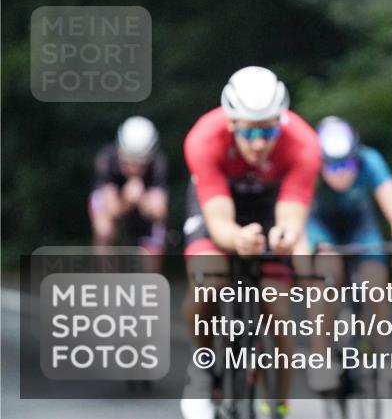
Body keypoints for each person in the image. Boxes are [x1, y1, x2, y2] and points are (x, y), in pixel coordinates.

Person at [180, 66, 321, 419]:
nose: (260, 142)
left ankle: (278, 404)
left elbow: (291, 215)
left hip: (269, 205)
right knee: (208, 281)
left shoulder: (303, 142)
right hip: (218, 202)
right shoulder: (203, 138)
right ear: (231, 124)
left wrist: (285, 236)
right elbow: (218, 224)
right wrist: (236, 238)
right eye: (251, 132)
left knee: (277, 310)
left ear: (282, 121)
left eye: (269, 130)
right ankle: (202, 369)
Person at [297, 116, 392, 394]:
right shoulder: (308, 165)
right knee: (325, 275)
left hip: (360, 228)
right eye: (333, 166)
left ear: (357, 155)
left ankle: (373, 351)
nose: (341, 173)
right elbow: (297, 221)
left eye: (348, 165)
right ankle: (322, 356)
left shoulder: (371, 160)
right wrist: (302, 259)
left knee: (375, 283)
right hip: (321, 228)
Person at [88, 116, 168, 268]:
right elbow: (112, 210)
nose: (134, 168)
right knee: (105, 230)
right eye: (129, 161)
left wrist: (142, 199)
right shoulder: (107, 159)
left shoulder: (158, 164)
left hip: (142, 207)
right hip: (117, 204)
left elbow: (160, 212)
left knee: (156, 237)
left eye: (141, 163)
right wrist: (127, 199)